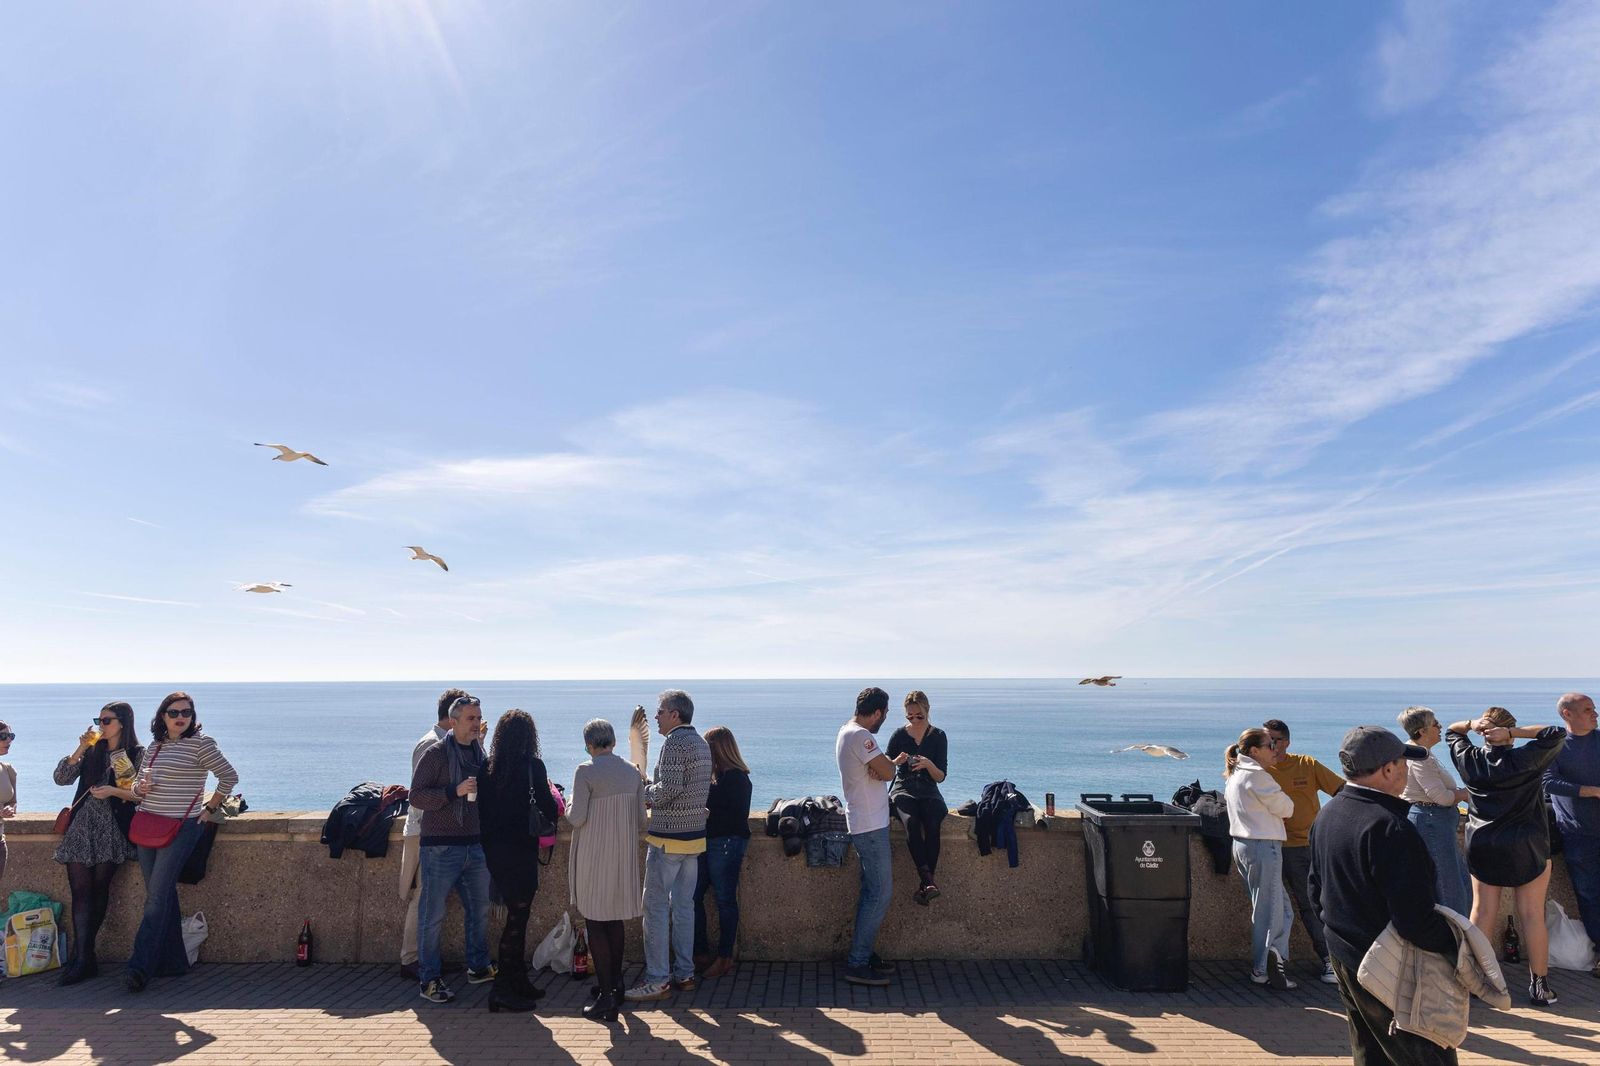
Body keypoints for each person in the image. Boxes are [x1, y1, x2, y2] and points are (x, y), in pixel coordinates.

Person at [1309, 726, 1460, 1066]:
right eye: (1403, 764)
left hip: (1346, 955)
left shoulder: (1328, 814)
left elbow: (1315, 890)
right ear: (1388, 770)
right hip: (1390, 966)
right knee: (1427, 1056)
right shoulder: (1391, 828)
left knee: (1370, 1054)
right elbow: (1414, 919)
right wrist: (1456, 949)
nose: (1406, 771)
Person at [1447, 707, 1567, 1006]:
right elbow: (1556, 733)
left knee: (1482, 912)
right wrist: (1513, 734)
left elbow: (1452, 731)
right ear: (1508, 732)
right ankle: (1539, 987)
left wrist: (1473, 724)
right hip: (1527, 844)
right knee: (1531, 915)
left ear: (1484, 732)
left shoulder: (1469, 758)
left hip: (1483, 843)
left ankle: (1476, 983)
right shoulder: (1525, 759)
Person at [125, 692, 239, 992]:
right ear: (163, 715)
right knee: (160, 895)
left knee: (156, 899)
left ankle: (139, 967)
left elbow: (228, 777)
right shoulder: (156, 746)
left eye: (186, 713)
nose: (180, 717)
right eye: (174, 712)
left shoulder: (202, 744)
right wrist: (141, 786)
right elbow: (137, 788)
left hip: (181, 826)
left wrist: (211, 808)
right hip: (148, 822)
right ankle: (174, 962)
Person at [626, 690, 712, 1003]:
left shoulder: (674, 742)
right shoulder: (701, 743)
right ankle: (684, 974)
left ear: (675, 714)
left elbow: (670, 789)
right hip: (693, 839)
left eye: (661, 712)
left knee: (656, 909)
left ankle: (657, 979)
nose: (658, 717)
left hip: (668, 839)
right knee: (685, 907)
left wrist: (643, 789)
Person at [409, 694, 495, 1004]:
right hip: (440, 847)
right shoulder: (435, 755)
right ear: (453, 721)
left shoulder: (478, 753)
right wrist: (452, 791)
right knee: (432, 915)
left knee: (480, 909)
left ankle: (478, 966)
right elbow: (416, 796)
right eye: (471, 719)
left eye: (478, 717)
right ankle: (429, 979)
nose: (477, 724)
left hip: (474, 843)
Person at [53, 701, 144, 984]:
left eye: (106, 720)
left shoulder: (135, 753)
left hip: (112, 827)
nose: (100, 725)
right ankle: (84, 958)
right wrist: (81, 747)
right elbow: (61, 779)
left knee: (99, 890)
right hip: (82, 826)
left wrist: (111, 790)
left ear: (123, 723)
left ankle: (84, 956)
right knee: (80, 891)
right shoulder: (92, 750)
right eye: (99, 719)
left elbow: (134, 790)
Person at [478, 709, 560, 1013]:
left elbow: (481, 814)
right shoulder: (533, 767)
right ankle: (501, 989)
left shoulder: (487, 768)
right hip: (521, 853)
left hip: (496, 855)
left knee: (517, 918)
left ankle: (517, 980)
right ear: (529, 737)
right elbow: (549, 809)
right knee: (516, 921)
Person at [568, 718, 646, 1024]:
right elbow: (641, 820)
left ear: (589, 744)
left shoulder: (585, 771)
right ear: (612, 742)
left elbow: (576, 818)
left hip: (594, 855)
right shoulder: (632, 772)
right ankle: (616, 985)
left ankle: (607, 998)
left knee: (595, 923)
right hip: (622, 855)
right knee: (614, 923)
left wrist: (570, 803)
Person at [1262, 718, 1343, 985]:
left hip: (1303, 847)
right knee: (1270, 908)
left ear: (1287, 741)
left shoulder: (1305, 764)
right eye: (1265, 741)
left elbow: (1341, 790)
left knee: (1312, 905)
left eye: (1274, 740)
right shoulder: (1257, 769)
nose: (1270, 745)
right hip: (1267, 846)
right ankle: (1268, 964)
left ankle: (1330, 960)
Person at [399, 688, 467, 983]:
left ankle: (428, 958)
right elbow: (420, 795)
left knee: (434, 898)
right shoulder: (429, 745)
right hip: (424, 831)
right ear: (453, 718)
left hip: (445, 832)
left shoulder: (451, 743)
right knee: (424, 896)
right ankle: (411, 958)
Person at [1224, 726, 1297, 990]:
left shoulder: (1236, 774)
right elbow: (1287, 807)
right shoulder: (1258, 777)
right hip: (1263, 846)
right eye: (1269, 745)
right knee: (1270, 912)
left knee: (1282, 910)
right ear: (1254, 751)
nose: (1275, 749)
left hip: (1244, 845)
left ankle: (1274, 958)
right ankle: (1263, 967)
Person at [836, 686, 897, 987]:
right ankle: (858, 962)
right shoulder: (862, 736)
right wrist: (888, 767)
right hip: (871, 826)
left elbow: (881, 769)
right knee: (881, 893)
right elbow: (886, 772)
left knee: (871, 891)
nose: (884, 718)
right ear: (877, 712)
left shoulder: (846, 731)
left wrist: (883, 766)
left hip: (863, 821)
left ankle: (864, 952)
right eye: (884, 714)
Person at [1544, 692, 1600, 978]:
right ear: (1567, 714)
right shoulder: (1555, 746)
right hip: (1578, 833)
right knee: (1590, 895)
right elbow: (1548, 781)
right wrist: (1591, 791)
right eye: (1588, 709)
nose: (1595, 713)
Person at [1397, 706, 1472, 915]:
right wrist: (1466, 794)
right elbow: (1442, 798)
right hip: (1431, 821)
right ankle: (1458, 942)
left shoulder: (1420, 753)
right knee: (1450, 889)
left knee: (1459, 882)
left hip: (1433, 821)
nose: (1440, 726)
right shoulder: (1420, 758)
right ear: (1422, 731)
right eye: (1435, 724)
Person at [693, 725, 753, 979]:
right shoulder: (724, 778)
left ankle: (725, 956)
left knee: (725, 900)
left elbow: (717, 810)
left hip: (726, 843)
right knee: (692, 897)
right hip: (712, 842)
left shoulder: (736, 779)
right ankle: (700, 952)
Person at [887, 690, 949, 906]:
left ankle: (927, 884)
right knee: (912, 823)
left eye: (918, 716)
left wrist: (929, 764)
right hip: (904, 788)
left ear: (927, 711)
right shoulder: (899, 735)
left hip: (929, 790)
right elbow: (885, 765)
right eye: (909, 716)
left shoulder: (939, 736)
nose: (914, 720)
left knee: (933, 823)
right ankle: (928, 882)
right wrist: (896, 760)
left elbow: (941, 777)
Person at [0, 721, 15, 892]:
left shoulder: (8, 769)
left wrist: (10, 809)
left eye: (10, 736)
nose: (8, 740)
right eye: (2, 736)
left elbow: (12, 803)